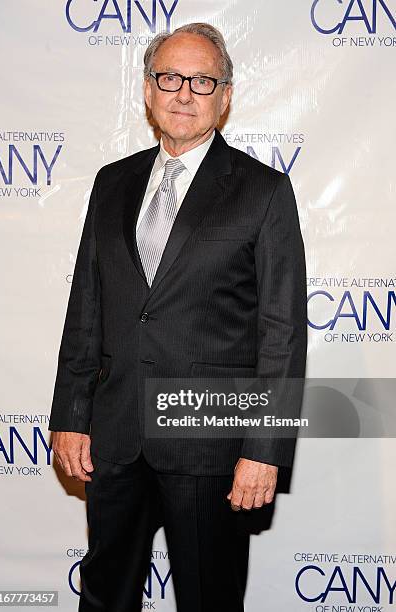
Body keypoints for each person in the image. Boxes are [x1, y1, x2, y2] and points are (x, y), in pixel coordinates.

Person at [48, 22, 307, 612]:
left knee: (208, 600)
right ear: (146, 89)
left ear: (225, 95)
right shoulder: (111, 184)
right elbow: (85, 308)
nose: (183, 93)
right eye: (169, 77)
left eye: (202, 80)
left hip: (210, 443)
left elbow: (283, 333)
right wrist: (70, 413)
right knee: (104, 596)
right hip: (114, 439)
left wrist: (264, 449)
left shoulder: (263, 192)